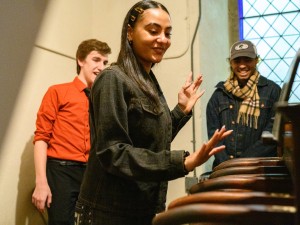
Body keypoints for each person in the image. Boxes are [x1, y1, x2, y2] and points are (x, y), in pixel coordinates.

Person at [75, 1, 232, 225]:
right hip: (108, 211)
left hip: (139, 206)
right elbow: (114, 153)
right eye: (153, 30)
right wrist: (184, 162)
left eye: (168, 33)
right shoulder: (112, 79)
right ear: (130, 33)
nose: (163, 39)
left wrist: (180, 111)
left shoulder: (146, 81)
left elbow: (151, 140)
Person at [32, 39, 111, 225]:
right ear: (80, 60)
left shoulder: (103, 100)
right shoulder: (57, 92)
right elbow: (41, 138)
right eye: (96, 59)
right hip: (61, 172)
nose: (101, 67)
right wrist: (41, 182)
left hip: (93, 172)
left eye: (105, 62)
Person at [206, 40, 281, 169]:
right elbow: (215, 138)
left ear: (257, 60)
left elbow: (272, 135)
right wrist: (228, 166)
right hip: (224, 170)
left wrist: (241, 164)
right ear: (230, 62)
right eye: (237, 61)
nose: (242, 65)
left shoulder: (273, 91)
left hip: (261, 170)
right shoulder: (218, 95)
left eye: (247, 60)